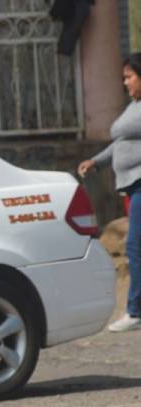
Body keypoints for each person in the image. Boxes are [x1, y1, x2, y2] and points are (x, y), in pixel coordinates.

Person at [78, 53, 141, 332]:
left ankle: (135, 310)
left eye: (129, 76)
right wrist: (97, 162)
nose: (125, 83)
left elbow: (120, 133)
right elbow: (120, 141)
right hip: (131, 185)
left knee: (134, 246)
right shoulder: (134, 106)